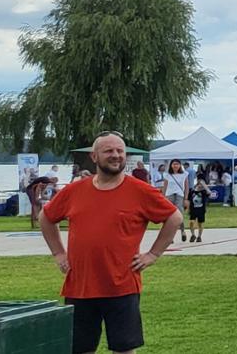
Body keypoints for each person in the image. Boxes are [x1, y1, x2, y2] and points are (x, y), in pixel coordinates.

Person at [39, 132, 182, 354]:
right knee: (79, 348)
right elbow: (46, 218)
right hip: (80, 285)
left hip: (121, 286)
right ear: (94, 157)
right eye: (109, 151)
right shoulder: (75, 191)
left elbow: (174, 218)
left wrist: (152, 255)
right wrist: (59, 253)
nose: (116, 156)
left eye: (120, 151)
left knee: (124, 348)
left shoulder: (140, 190)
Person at [186, 174, 210, 243]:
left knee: (200, 223)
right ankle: (193, 235)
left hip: (201, 209)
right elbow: (189, 199)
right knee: (191, 222)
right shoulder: (193, 190)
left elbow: (209, 193)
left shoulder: (204, 191)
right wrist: (188, 208)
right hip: (193, 209)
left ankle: (199, 236)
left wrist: (204, 186)